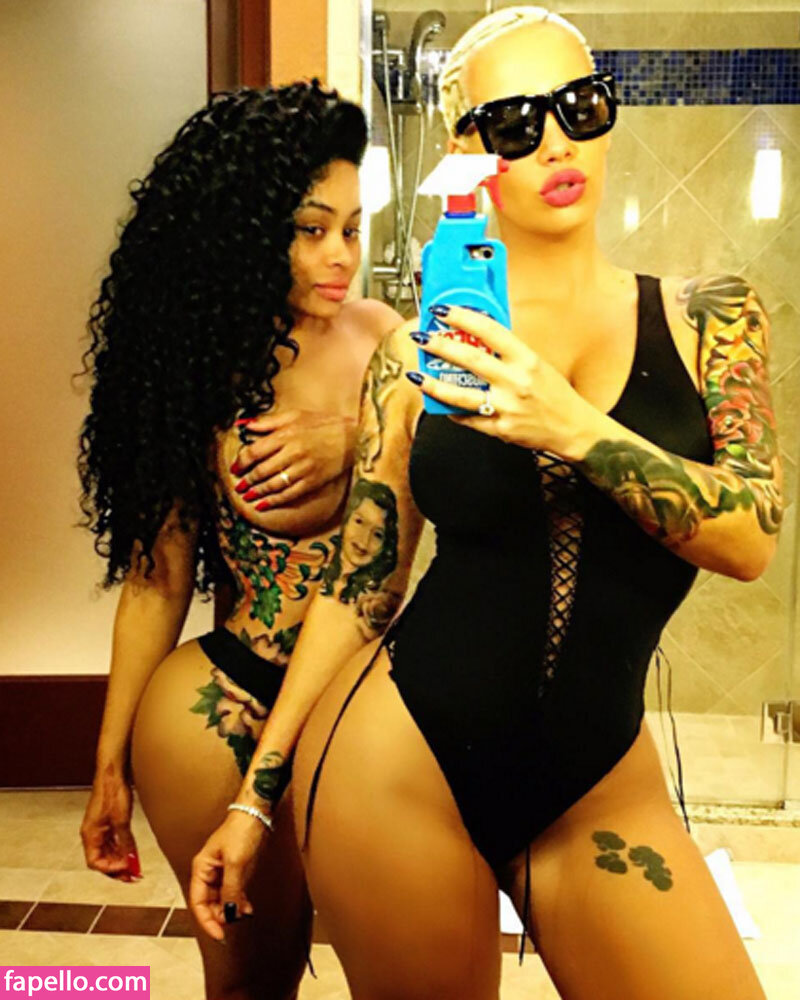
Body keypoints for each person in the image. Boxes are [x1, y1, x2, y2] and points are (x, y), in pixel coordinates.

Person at [190, 10, 782, 1000]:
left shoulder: (712, 314)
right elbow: (361, 589)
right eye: (515, 121)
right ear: (467, 148)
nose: (556, 142)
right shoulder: (416, 351)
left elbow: (752, 537)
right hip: (401, 768)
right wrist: (255, 802)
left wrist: (569, 425)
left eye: (581, 107)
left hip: (599, 778)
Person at [77, 81, 401, 1000]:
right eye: (311, 229)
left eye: (353, 227)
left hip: (367, 710)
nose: (341, 256)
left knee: (397, 967)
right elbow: (157, 578)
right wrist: (108, 767)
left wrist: (354, 440)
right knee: (252, 979)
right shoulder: (196, 369)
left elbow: (443, 494)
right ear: (245, 233)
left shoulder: (386, 341)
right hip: (224, 700)